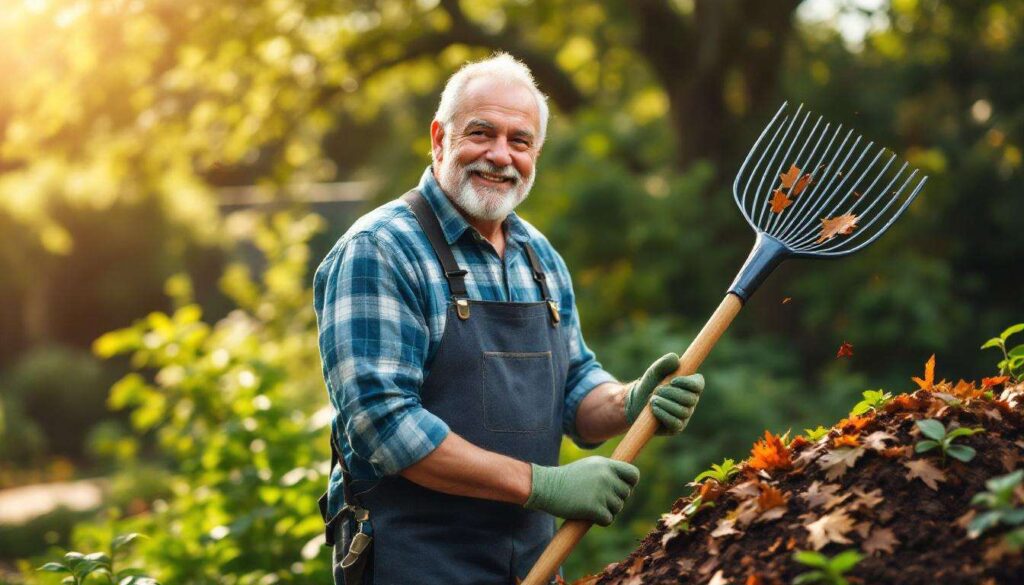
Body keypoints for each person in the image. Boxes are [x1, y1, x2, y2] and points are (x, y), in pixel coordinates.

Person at [313, 53, 705, 585]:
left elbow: (574, 388)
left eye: (519, 141)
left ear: (535, 155)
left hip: (532, 565)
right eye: (481, 133)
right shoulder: (379, 250)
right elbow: (384, 427)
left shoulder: (537, 256)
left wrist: (630, 400)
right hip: (415, 563)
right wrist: (542, 486)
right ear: (439, 138)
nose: (500, 156)